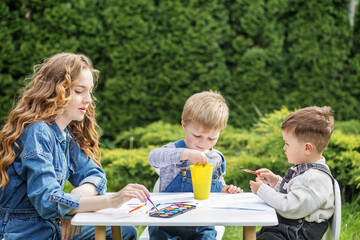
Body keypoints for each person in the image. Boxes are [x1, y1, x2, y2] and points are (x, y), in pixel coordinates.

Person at [0, 52, 150, 240]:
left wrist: (76, 198)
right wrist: (111, 200)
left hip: (52, 228)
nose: (88, 99)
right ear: (56, 91)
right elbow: (47, 201)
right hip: (25, 233)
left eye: (90, 91)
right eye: (79, 91)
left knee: (124, 231)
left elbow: (96, 175)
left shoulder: (65, 136)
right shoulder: (37, 132)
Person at [148, 90, 243, 240]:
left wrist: (225, 190)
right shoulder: (173, 151)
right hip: (167, 225)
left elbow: (216, 186)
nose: (203, 143)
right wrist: (185, 154)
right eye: (197, 136)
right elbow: (153, 157)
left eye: (211, 138)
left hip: (202, 224)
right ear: (184, 125)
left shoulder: (217, 159)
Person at [250, 106, 336, 240]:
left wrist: (263, 191)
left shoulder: (314, 178)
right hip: (285, 231)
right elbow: (296, 193)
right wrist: (275, 182)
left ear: (307, 148)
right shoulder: (307, 171)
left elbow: (290, 207)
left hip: (295, 235)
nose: (284, 148)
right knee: (252, 236)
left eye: (287, 144)